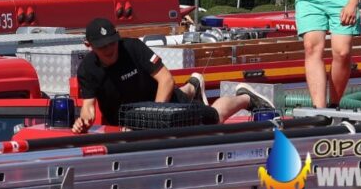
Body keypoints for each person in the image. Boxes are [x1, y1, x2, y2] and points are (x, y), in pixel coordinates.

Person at [72, 17, 270, 133]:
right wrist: (84, 121)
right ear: (89, 46)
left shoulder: (133, 48)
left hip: (161, 104)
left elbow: (166, 79)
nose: (109, 49)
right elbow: (88, 108)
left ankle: (245, 98)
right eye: (102, 46)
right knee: (184, 96)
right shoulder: (87, 70)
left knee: (213, 119)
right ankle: (193, 86)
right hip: (125, 123)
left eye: (112, 43)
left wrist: (152, 118)